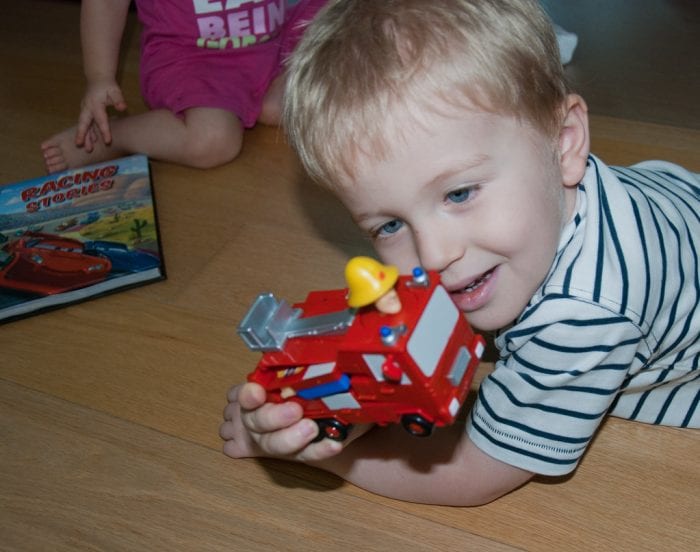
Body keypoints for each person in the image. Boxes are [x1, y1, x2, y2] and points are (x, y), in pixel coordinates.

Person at [219, 0, 700, 506]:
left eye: (459, 194)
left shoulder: (580, 318)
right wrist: (354, 411)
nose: (432, 255)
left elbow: (474, 474)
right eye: (390, 224)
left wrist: (331, 457)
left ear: (564, 143)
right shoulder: (538, 196)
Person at [40, 0, 327, 172]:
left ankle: (265, 99)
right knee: (212, 141)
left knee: (291, 102)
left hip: (273, 44)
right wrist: (100, 76)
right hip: (192, 58)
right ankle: (114, 136)